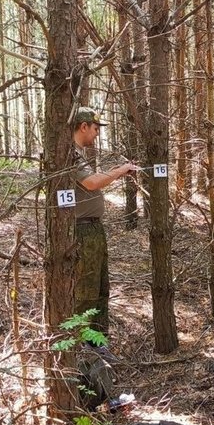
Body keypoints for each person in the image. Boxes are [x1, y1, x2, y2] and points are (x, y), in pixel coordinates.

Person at [71, 107, 138, 332]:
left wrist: (118, 171)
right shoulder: (70, 153)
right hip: (81, 231)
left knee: (100, 288)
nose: (97, 133)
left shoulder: (79, 153)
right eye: (95, 128)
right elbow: (91, 183)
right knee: (86, 290)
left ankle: (97, 341)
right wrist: (120, 171)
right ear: (83, 127)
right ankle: (80, 344)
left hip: (93, 229)